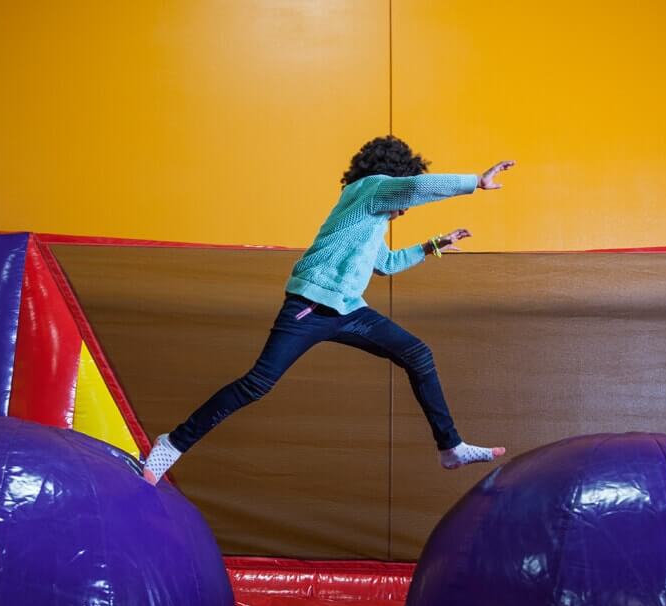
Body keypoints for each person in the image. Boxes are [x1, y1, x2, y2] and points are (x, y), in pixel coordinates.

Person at [143, 135, 514, 484]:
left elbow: (385, 264)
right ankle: (172, 444)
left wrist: (433, 245)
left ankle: (450, 447)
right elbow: (415, 189)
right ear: (392, 180)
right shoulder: (369, 190)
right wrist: (476, 182)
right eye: (401, 199)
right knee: (257, 384)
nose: (403, 210)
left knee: (418, 354)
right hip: (311, 306)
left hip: (349, 311)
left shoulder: (370, 222)